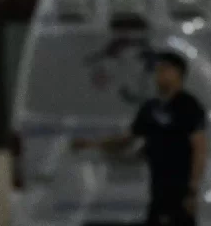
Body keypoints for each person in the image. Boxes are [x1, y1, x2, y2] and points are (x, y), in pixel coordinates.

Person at [73, 52, 207, 226]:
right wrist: (92, 143)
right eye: (158, 70)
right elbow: (127, 138)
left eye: (165, 69)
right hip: (158, 187)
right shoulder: (150, 108)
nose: (159, 74)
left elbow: (200, 148)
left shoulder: (189, 105)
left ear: (178, 73)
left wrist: (192, 189)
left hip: (180, 189)